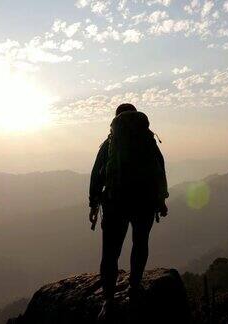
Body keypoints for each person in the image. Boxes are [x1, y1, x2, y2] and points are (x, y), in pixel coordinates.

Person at [88, 103, 169, 319]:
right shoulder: (148, 142)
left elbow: (96, 174)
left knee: (110, 253)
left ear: (116, 120)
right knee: (140, 243)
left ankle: (108, 301)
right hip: (144, 202)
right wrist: (161, 201)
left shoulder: (110, 143)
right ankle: (134, 288)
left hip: (116, 203)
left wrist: (93, 203)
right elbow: (159, 169)